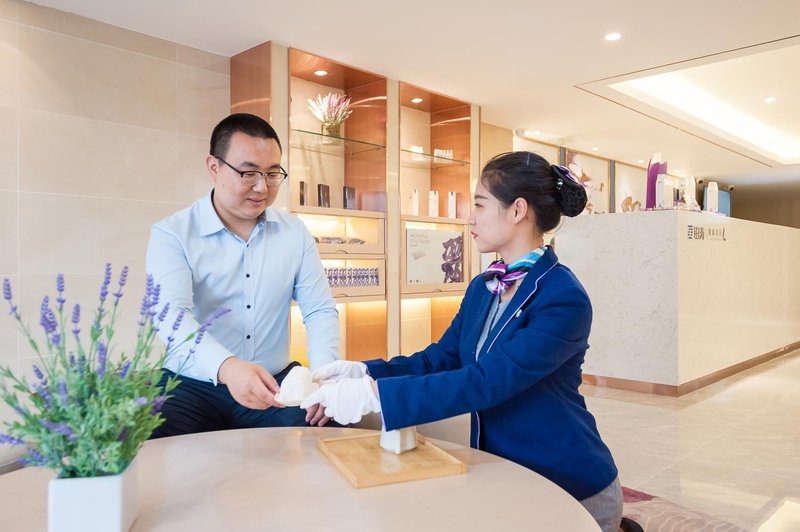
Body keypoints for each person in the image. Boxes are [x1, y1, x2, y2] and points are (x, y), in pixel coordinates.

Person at [302, 151, 622, 531]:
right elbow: (439, 358)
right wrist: (364, 371)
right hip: (507, 475)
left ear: (517, 210)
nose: (470, 217)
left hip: (567, 483)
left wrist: (375, 397)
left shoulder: (562, 297)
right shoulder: (484, 287)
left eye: (480, 204)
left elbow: (487, 382)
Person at [146, 113, 338, 437]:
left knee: (328, 428)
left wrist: (325, 375)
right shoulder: (173, 233)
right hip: (191, 384)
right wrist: (227, 367)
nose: (262, 187)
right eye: (248, 173)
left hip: (272, 383)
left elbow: (319, 310)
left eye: (272, 174)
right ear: (214, 167)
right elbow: (171, 317)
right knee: (142, 441)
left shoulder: (295, 233)